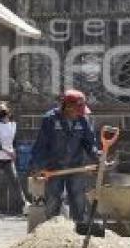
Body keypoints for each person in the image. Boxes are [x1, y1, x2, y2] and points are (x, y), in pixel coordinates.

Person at [30, 90, 100, 223]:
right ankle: (52, 229)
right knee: (53, 200)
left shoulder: (83, 120)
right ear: (68, 107)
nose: (80, 114)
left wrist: (97, 156)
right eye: (77, 110)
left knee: (78, 198)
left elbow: (90, 143)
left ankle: (79, 228)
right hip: (54, 168)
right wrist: (37, 166)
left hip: (76, 166)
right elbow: (41, 145)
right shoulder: (50, 119)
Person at [0, 102, 28, 211]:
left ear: (9, 112)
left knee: (15, 180)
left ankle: (24, 204)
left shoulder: (13, 124)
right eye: (0, 110)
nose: (3, 112)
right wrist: (7, 151)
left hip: (8, 159)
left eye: (4, 109)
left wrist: (13, 151)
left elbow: (14, 140)